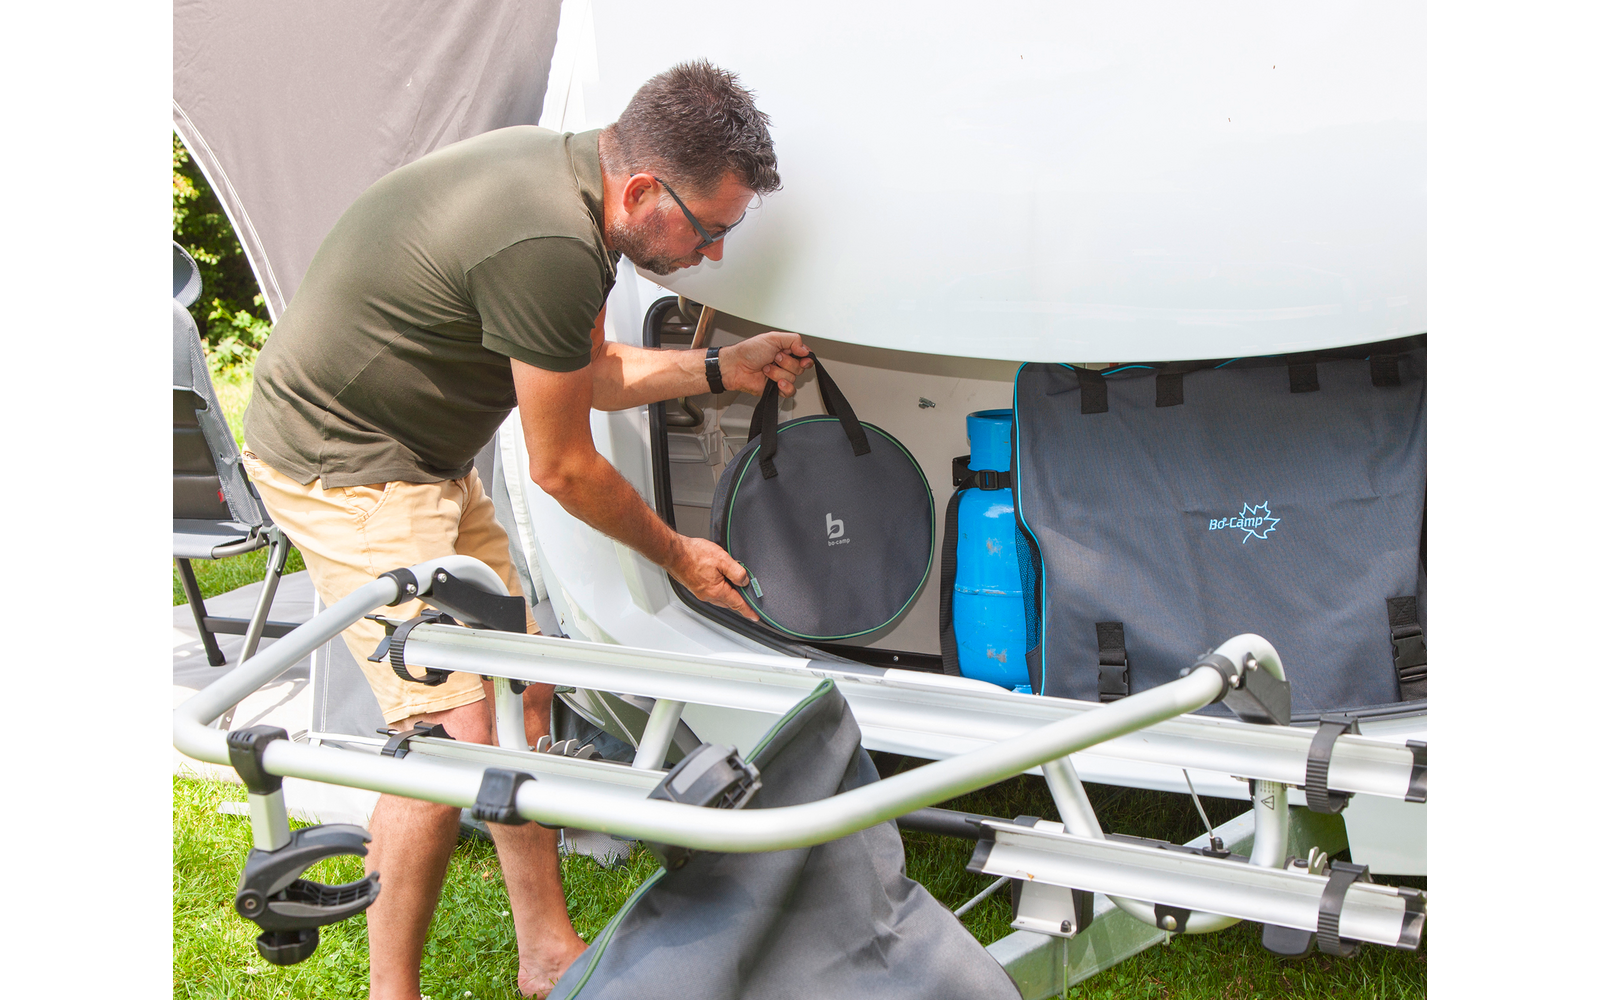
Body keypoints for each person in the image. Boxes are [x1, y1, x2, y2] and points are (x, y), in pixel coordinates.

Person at [239, 61, 809, 1000]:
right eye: (710, 229)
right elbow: (563, 466)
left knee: (521, 691)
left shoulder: (572, 195)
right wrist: (680, 556)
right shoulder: (551, 239)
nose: (712, 255)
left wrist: (720, 365)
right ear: (640, 190)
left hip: (419, 458)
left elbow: (586, 370)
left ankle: (546, 951)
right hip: (345, 465)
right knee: (453, 726)